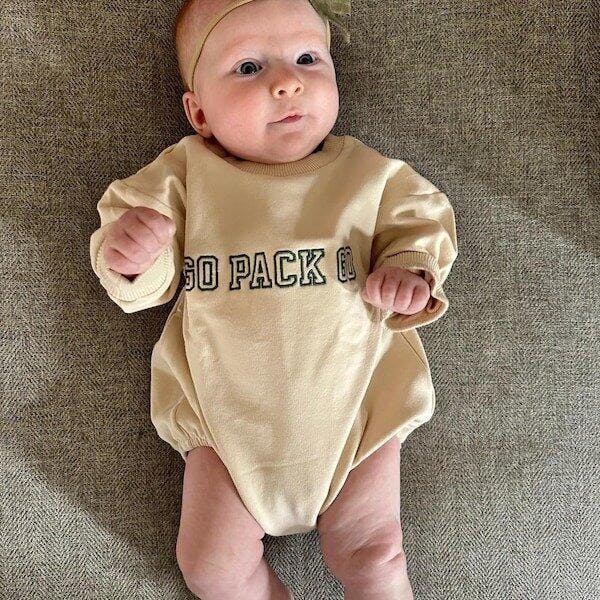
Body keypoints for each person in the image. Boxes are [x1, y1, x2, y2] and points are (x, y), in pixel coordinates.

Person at [88, 0, 459, 598]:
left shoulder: (367, 175)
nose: (288, 82)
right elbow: (137, 271)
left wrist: (407, 270)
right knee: (210, 566)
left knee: (375, 554)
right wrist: (133, 252)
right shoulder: (186, 174)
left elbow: (422, 222)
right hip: (226, 423)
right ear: (199, 112)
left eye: (307, 59)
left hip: (353, 410)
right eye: (249, 67)